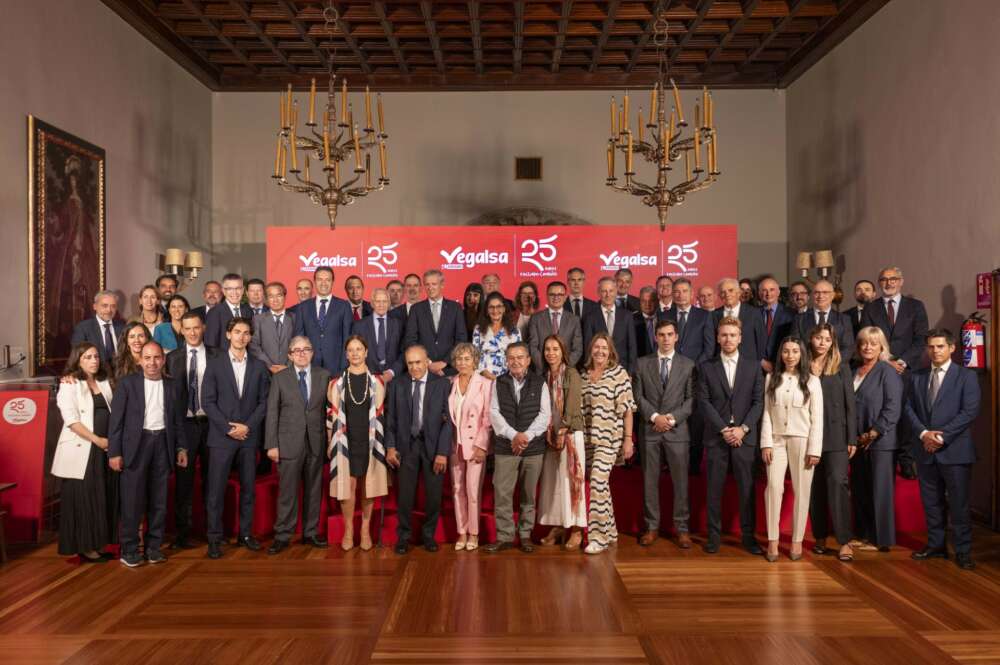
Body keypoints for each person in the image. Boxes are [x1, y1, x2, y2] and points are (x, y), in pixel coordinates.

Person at [904, 330, 981, 570]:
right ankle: (936, 546)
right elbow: (908, 409)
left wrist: (941, 436)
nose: (934, 351)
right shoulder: (917, 377)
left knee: (959, 504)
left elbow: (969, 411)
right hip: (925, 449)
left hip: (955, 451)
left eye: (939, 346)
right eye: (930, 347)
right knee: (931, 502)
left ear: (951, 348)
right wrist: (924, 434)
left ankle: (963, 551)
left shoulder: (966, 376)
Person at [108, 341, 188, 567]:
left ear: (163, 360)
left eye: (156, 358)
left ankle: (153, 548)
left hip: (163, 443)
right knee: (132, 501)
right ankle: (130, 550)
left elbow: (178, 421)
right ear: (139, 360)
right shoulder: (127, 384)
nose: (152, 363)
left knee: (159, 500)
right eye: (147, 358)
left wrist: (182, 448)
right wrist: (114, 452)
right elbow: (116, 422)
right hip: (136, 446)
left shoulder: (172, 386)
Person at [202, 317, 270, 559]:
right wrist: (229, 428)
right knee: (216, 491)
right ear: (228, 335)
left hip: (249, 438)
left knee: (249, 490)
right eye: (237, 332)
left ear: (250, 337)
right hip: (222, 438)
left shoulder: (259, 367)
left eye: (246, 333)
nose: (241, 336)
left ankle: (246, 534)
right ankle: (214, 539)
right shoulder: (215, 363)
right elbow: (207, 402)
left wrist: (247, 427)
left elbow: (264, 403)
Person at [698, 316, 765, 555]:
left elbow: (759, 402)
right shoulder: (706, 367)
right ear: (717, 338)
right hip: (717, 437)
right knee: (713, 489)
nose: (728, 339)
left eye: (732, 335)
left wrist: (742, 429)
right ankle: (713, 537)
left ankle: (748, 538)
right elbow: (703, 402)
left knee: (747, 489)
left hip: (744, 438)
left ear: (740, 338)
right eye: (724, 335)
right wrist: (724, 429)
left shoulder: (753, 366)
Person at [861, 266, 929, 479]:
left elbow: (921, 339)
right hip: (880, 368)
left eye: (892, 279)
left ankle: (906, 459)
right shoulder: (871, 308)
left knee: (907, 415)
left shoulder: (915, 307)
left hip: (908, 371)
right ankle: (884, 458)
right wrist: (887, 361)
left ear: (901, 281)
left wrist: (902, 361)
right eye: (883, 279)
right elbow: (866, 338)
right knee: (883, 412)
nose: (888, 283)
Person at [633, 320, 696, 548]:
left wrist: (670, 419)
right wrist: (654, 417)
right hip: (650, 430)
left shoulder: (688, 365)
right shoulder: (641, 364)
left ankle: (682, 529)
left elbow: (690, 400)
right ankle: (651, 527)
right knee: (650, 481)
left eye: (670, 334)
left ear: (676, 337)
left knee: (680, 483)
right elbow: (638, 397)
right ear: (655, 337)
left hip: (677, 431)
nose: (666, 339)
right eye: (661, 335)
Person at [266, 335, 332, 554]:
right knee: (288, 492)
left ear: (312, 352)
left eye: (306, 349)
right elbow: (272, 412)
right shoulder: (280, 378)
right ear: (290, 355)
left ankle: (310, 533)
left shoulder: (324, 376)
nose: (302, 353)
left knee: (314, 490)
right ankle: (283, 534)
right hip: (287, 443)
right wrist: (272, 445)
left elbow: (329, 411)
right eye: (297, 350)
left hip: (316, 441)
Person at [385, 345, 453, 554]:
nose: (414, 367)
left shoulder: (441, 384)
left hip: (432, 446)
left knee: (433, 495)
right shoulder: (398, 384)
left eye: (418, 362)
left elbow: (449, 421)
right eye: (410, 363)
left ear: (426, 362)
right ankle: (403, 537)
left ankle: (428, 536)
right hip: (406, 447)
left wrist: (442, 452)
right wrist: (390, 446)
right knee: (405, 496)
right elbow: (391, 419)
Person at [760, 337, 823, 562]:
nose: (790, 356)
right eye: (786, 351)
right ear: (781, 354)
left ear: (802, 354)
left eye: (795, 351)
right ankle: (773, 540)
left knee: (802, 490)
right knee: (774, 488)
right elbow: (766, 413)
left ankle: (796, 540)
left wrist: (814, 449)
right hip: (776, 440)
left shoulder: (812, 381)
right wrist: (765, 442)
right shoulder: (771, 379)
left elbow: (818, 419)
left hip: (802, 440)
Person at [485, 342, 551, 553]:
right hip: (506, 447)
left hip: (533, 449)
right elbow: (494, 413)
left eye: (520, 357)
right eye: (511, 357)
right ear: (506, 360)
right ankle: (504, 537)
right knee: (502, 493)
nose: (515, 361)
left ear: (528, 360)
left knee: (528, 494)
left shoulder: (540, 382)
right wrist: (514, 435)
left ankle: (525, 535)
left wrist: (526, 437)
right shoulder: (499, 383)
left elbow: (545, 415)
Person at [52, 343, 116, 563]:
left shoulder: (104, 381)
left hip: (104, 449)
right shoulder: (69, 384)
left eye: (96, 356)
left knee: (99, 497)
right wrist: (97, 440)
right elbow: (71, 421)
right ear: (78, 360)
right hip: (83, 448)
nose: (93, 360)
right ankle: (85, 547)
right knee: (83, 499)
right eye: (88, 357)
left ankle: (97, 544)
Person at [326, 336, 387, 551]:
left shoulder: (378, 382)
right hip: (345, 440)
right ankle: (349, 530)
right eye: (350, 350)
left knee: (368, 486)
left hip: (369, 440)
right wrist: (328, 442)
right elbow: (330, 417)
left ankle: (365, 529)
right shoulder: (336, 383)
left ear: (366, 352)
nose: (355, 353)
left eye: (359, 349)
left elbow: (382, 416)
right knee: (348, 486)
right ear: (346, 354)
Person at [165, 311, 219, 550]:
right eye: (188, 329)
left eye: (196, 327)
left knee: (213, 482)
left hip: (212, 425)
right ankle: (183, 535)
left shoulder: (218, 355)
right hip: (184, 427)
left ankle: (212, 533)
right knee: (184, 484)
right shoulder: (172, 359)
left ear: (203, 328)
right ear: (182, 331)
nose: (193, 333)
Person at [580, 333, 635, 554]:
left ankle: (598, 537)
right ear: (590, 350)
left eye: (604, 348)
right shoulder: (584, 375)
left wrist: (628, 440)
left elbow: (628, 410)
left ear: (610, 351)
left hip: (610, 439)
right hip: (588, 441)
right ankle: (611, 531)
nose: (600, 351)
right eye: (596, 347)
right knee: (601, 486)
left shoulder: (618, 374)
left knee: (596, 483)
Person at [807, 323, 858, 562]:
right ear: (811, 339)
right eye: (818, 338)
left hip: (837, 434)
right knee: (814, 487)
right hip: (808, 434)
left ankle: (844, 540)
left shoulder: (841, 366)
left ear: (832, 342)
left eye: (827, 339)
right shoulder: (802, 365)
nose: (822, 342)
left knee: (838, 483)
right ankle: (819, 536)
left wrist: (852, 437)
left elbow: (851, 403)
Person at [850, 326, 903, 552]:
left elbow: (893, 407)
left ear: (882, 346)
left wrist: (874, 432)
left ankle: (881, 540)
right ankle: (863, 534)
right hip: (857, 441)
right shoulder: (854, 370)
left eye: (873, 343)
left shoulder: (887, 370)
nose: (867, 347)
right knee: (861, 489)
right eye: (863, 343)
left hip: (880, 440)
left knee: (880, 491)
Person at [537, 335, 587, 550]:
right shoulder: (545, 376)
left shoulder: (572, 373)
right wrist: (549, 432)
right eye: (547, 349)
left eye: (555, 349)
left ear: (562, 351)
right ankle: (559, 526)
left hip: (570, 436)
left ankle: (576, 530)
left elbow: (573, 406)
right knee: (554, 484)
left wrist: (562, 430)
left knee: (571, 482)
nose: (551, 353)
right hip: (550, 436)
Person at [447, 343, 493, 551]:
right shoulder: (451, 382)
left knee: (473, 490)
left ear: (475, 361)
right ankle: (462, 532)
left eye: (467, 358)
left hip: (475, 444)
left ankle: (474, 534)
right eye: (459, 359)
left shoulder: (485, 383)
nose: (463, 362)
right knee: (457, 490)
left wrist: (482, 445)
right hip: (455, 444)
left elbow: (487, 418)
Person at [404, 269, 467, 377]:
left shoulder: (455, 308)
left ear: (442, 285)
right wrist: (427, 362)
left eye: (434, 284)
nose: (430, 287)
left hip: (450, 369)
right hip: (423, 369)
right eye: (427, 284)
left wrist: (444, 362)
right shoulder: (416, 309)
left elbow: (461, 339)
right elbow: (410, 339)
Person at [293, 266, 353, 377]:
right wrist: (301, 363)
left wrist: (344, 365)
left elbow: (347, 338)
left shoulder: (344, 306)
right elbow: (299, 338)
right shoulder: (303, 307)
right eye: (320, 279)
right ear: (315, 282)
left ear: (333, 282)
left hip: (336, 366)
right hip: (309, 364)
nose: (323, 283)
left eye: (327, 280)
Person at [582, 276, 638, 374]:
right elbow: (588, 346)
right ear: (598, 293)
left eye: (611, 291)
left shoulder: (627, 316)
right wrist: (590, 369)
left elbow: (632, 346)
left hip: (622, 370)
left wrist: (630, 372)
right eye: (604, 291)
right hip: (598, 370)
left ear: (616, 292)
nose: (608, 295)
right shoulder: (590, 317)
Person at [527, 280, 582, 370]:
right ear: (547, 296)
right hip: (542, 372)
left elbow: (577, 349)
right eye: (552, 294)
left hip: (567, 372)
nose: (556, 297)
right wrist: (546, 368)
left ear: (565, 297)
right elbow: (533, 347)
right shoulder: (535, 318)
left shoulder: (574, 320)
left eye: (560, 295)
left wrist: (563, 368)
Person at [793, 279, 853, 360]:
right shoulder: (799, 319)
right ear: (812, 295)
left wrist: (829, 364)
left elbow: (848, 348)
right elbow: (795, 346)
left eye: (825, 292)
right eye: (817, 292)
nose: (820, 296)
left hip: (836, 368)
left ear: (832, 295)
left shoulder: (844, 319)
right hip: (807, 368)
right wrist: (812, 365)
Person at [352, 288, 403, 382]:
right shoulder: (359, 325)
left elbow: (403, 352)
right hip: (366, 378)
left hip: (394, 379)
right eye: (378, 301)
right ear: (372, 303)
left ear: (389, 303)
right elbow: (354, 352)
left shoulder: (398, 324)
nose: (381, 305)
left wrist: (392, 372)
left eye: (384, 301)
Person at [712, 278, 766, 362]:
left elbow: (761, 342)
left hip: (748, 364)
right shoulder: (714, 315)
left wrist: (758, 364)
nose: (727, 294)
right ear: (719, 295)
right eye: (723, 292)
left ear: (738, 292)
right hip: (721, 365)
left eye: (730, 290)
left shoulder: (754, 313)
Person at [472, 292, 521, 379]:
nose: (495, 311)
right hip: (482, 376)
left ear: (504, 309)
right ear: (487, 310)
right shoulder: (478, 329)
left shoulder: (514, 331)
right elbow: (474, 355)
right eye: (491, 307)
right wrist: (484, 373)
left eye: (499, 306)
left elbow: (518, 356)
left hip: (508, 377)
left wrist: (505, 378)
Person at [250, 282, 295, 373]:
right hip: (265, 371)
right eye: (271, 296)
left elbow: (298, 344)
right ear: (266, 299)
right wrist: (269, 366)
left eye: (279, 295)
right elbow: (254, 346)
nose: (275, 300)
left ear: (285, 297)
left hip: (290, 370)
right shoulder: (258, 319)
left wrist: (288, 366)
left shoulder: (294, 318)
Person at [71, 290, 124, 364]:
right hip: (96, 374)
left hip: (120, 374)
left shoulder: (122, 327)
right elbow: (77, 357)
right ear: (95, 306)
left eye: (113, 306)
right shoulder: (83, 328)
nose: (109, 310)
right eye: (105, 306)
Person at [205, 273, 253, 350]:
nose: (234, 292)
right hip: (223, 360)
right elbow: (210, 344)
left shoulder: (248, 310)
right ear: (223, 291)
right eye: (230, 289)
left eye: (238, 288)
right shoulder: (214, 312)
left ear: (243, 290)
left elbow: (251, 340)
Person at [758, 276, 795, 372]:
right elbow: (750, 343)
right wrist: (762, 361)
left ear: (778, 292)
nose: (768, 294)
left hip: (783, 367)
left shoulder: (792, 314)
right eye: (764, 290)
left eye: (772, 290)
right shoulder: (753, 314)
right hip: (758, 368)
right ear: (759, 293)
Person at [633, 286, 660, 358]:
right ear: (639, 302)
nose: (647, 304)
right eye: (643, 301)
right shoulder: (631, 320)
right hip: (640, 363)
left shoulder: (665, 318)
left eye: (651, 301)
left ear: (657, 301)